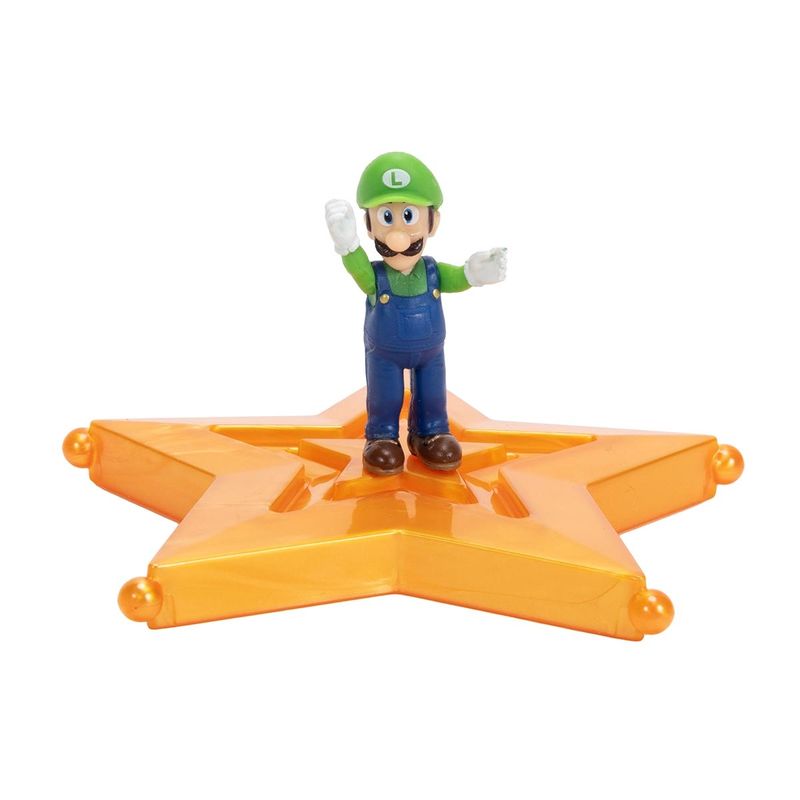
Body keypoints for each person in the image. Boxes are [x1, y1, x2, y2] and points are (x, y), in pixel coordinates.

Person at [325, 151, 506, 476]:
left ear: (432, 222)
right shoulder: (376, 276)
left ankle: (430, 433)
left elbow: (459, 277)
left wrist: (475, 273)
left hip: (431, 353)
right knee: (385, 397)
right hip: (384, 355)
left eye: (408, 216)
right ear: (369, 225)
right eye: (386, 217)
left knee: (433, 395)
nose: (397, 236)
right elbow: (359, 270)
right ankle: (382, 437)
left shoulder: (433, 272)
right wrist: (348, 245)